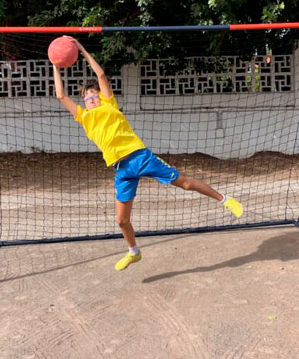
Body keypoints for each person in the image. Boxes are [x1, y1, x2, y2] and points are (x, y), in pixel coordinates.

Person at [52, 37, 243, 271]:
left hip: (140, 157)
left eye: (94, 95)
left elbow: (101, 76)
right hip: (122, 169)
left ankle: (225, 200)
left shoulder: (109, 105)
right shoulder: (83, 116)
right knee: (121, 221)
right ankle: (134, 252)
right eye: (86, 97)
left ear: (101, 97)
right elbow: (61, 96)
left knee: (184, 183)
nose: (90, 98)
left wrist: (81, 50)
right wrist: (55, 63)